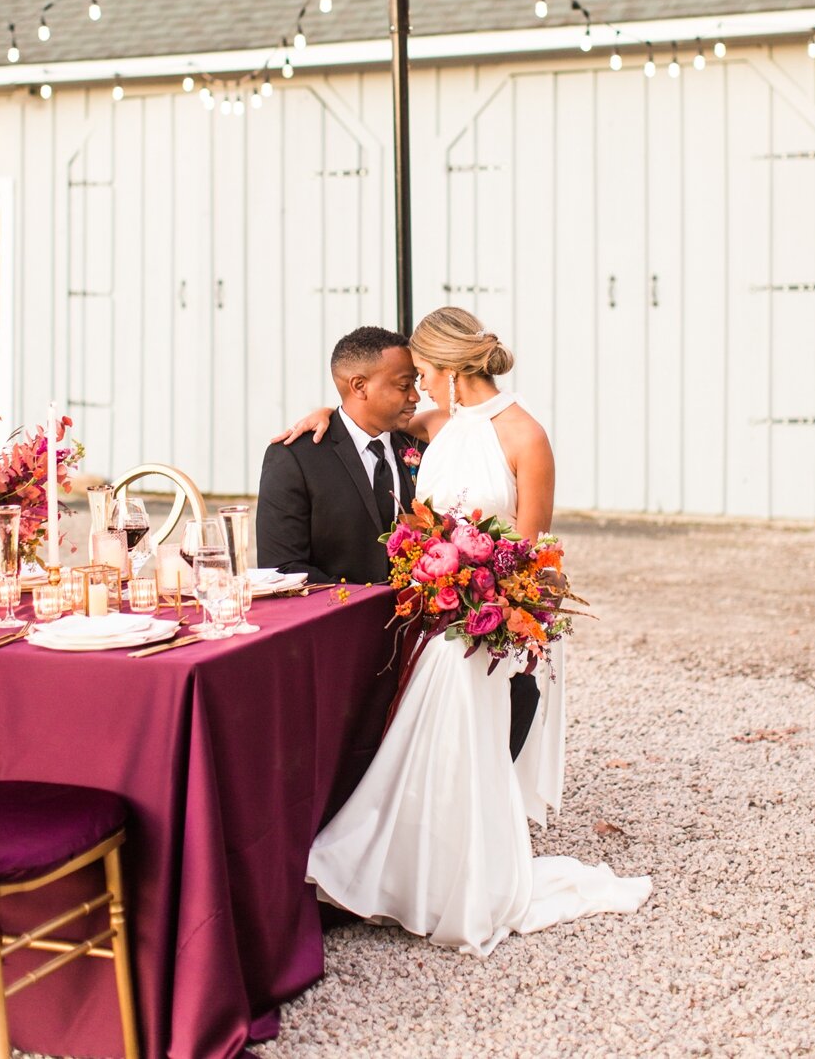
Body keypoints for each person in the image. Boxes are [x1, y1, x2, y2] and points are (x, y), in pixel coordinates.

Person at [279, 305, 652, 955]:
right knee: (421, 733)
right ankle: (415, 866)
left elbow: (533, 553)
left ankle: (467, 870)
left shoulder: (525, 437)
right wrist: (321, 413)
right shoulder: (434, 423)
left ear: (451, 367)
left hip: (493, 616)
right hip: (438, 614)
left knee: (456, 716)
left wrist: (497, 610)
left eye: (422, 372)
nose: (416, 386)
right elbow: (362, 420)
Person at [256, 326, 421, 586]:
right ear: (359, 386)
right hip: (338, 615)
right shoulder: (295, 458)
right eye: (403, 385)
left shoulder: (421, 446)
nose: (416, 396)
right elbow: (282, 567)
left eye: (415, 383)